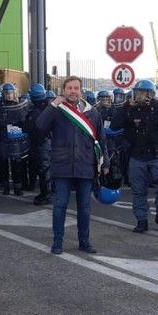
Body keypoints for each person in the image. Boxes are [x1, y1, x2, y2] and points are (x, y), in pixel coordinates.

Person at [36, 76, 107, 254]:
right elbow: (40, 126)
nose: (73, 91)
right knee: (60, 205)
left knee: (84, 206)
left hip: (85, 164)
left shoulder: (92, 112)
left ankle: (84, 242)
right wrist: (52, 106)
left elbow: (101, 139)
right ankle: (57, 242)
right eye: (69, 88)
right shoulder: (57, 110)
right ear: (64, 90)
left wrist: (105, 161)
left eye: (76, 88)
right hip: (62, 165)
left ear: (80, 90)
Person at [115, 79, 158, 234]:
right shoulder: (130, 109)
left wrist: (155, 104)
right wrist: (125, 107)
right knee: (138, 191)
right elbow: (114, 125)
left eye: (144, 93)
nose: (140, 96)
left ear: (151, 94)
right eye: (138, 93)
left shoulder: (157, 108)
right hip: (137, 156)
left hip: (156, 155)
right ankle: (141, 220)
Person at [0, 83, 30, 196]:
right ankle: (5, 187)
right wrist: (2, 123)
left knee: (17, 164)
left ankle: (18, 187)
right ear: (3, 94)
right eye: (7, 93)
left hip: (16, 139)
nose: (9, 96)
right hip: (2, 139)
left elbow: (25, 118)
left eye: (11, 93)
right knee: (3, 165)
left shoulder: (20, 105)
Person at [25, 84, 52, 205]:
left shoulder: (36, 111)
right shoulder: (47, 108)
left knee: (43, 170)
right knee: (44, 169)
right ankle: (45, 193)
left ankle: (46, 194)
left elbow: (30, 127)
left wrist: (21, 124)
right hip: (45, 142)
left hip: (41, 143)